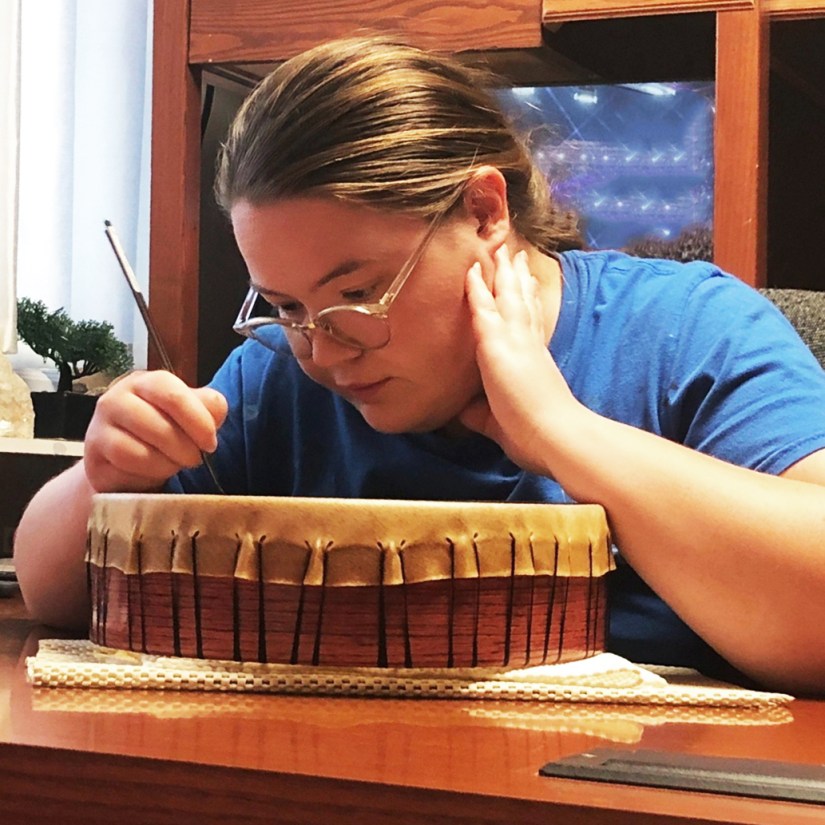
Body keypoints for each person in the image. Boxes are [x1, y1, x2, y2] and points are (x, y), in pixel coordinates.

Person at [14, 35, 825, 694]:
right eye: (287, 307)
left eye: (357, 293)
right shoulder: (282, 377)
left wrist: (560, 432)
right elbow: (54, 594)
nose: (324, 351)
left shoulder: (684, 330)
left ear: (483, 210)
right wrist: (105, 475)